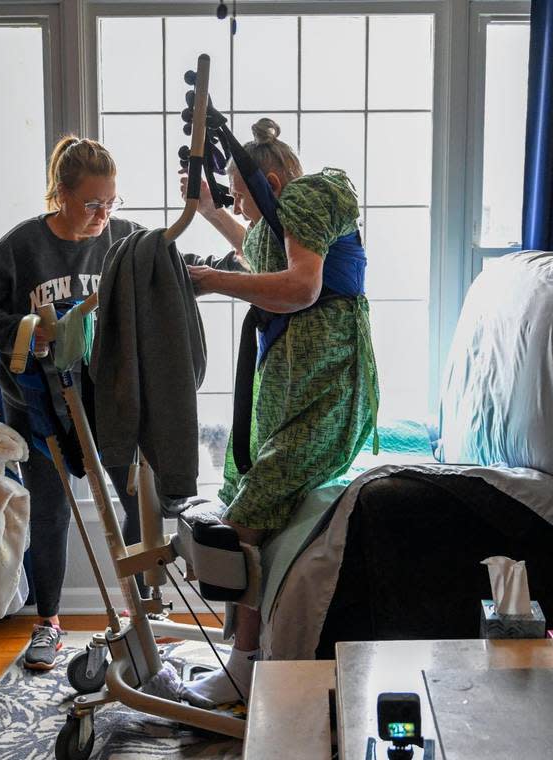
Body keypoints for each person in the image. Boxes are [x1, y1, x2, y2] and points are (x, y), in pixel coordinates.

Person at [180, 118, 379, 705]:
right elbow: (256, 245)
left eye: (243, 195)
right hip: (287, 398)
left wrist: (212, 280)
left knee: (246, 515)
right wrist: (210, 208)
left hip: (325, 397)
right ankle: (242, 653)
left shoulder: (308, 198)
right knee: (239, 497)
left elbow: (300, 288)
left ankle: (246, 666)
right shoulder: (283, 223)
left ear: (270, 180)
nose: (241, 205)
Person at [0, 136, 145, 670]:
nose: (103, 215)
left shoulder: (125, 239)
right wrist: (23, 330)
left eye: (112, 202)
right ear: (61, 195)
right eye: (91, 204)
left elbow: (172, 268)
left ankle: (138, 618)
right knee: (52, 513)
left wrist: (225, 263)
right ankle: (49, 623)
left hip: (107, 401)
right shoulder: (23, 247)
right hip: (39, 407)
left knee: (135, 503)